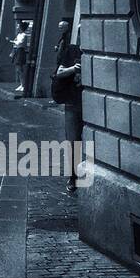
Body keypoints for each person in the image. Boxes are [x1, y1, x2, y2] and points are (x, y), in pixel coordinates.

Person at [52, 19, 84, 194]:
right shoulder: (72, 50)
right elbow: (59, 72)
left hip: (90, 104)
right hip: (73, 102)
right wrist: (74, 68)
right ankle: (73, 177)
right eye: (80, 32)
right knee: (73, 141)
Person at [11, 20, 32, 96]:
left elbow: (19, 43)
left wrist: (12, 41)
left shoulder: (24, 35)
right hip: (17, 50)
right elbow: (16, 42)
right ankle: (21, 84)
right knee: (18, 69)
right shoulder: (19, 35)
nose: (17, 28)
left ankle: (23, 84)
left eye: (19, 27)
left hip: (21, 51)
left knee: (20, 68)